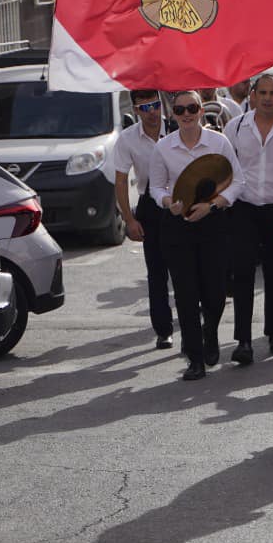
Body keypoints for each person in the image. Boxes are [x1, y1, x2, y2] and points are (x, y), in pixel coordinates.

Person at [149, 90, 246, 381]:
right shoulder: (163, 147)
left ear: (202, 110)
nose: (186, 114)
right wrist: (168, 202)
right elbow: (156, 187)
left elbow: (238, 181)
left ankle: (210, 332)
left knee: (215, 292)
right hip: (178, 227)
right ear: (173, 114)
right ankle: (195, 358)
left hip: (213, 223)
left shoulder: (219, 142)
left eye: (192, 108)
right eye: (180, 109)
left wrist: (212, 206)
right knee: (186, 294)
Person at [225, 72, 273, 364]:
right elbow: (224, 169)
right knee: (242, 273)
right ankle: (243, 341)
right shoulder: (235, 127)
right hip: (243, 207)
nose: (268, 98)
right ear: (253, 95)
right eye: (263, 93)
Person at [110, 89, 175, 349]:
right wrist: (129, 220)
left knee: (186, 269)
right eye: (145, 108)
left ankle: (195, 322)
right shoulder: (127, 139)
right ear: (136, 110)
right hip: (150, 205)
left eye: (155, 105)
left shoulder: (177, 127)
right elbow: (120, 180)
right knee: (157, 273)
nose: (152, 112)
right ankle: (163, 329)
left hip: (180, 199)